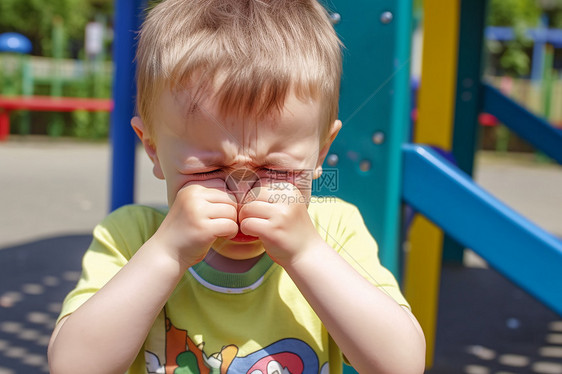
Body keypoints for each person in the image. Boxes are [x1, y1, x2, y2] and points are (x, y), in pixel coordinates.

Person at [48, 0, 426, 373]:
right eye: (208, 168)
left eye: (274, 168)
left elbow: (401, 363)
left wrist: (306, 255)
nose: (244, 191)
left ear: (320, 152)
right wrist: (167, 255)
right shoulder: (131, 238)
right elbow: (73, 365)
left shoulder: (334, 232)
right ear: (153, 149)